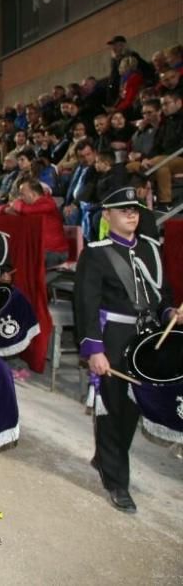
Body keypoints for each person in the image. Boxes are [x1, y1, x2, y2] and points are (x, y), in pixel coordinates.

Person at [73, 186, 177, 513]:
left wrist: (170, 313)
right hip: (113, 336)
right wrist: (94, 349)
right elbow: (85, 306)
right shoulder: (97, 252)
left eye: (135, 210)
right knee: (112, 405)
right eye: (123, 210)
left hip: (147, 338)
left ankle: (106, 456)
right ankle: (117, 481)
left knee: (133, 406)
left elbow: (162, 293)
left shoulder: (150, 249)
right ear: (107, 215)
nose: (131, 215)